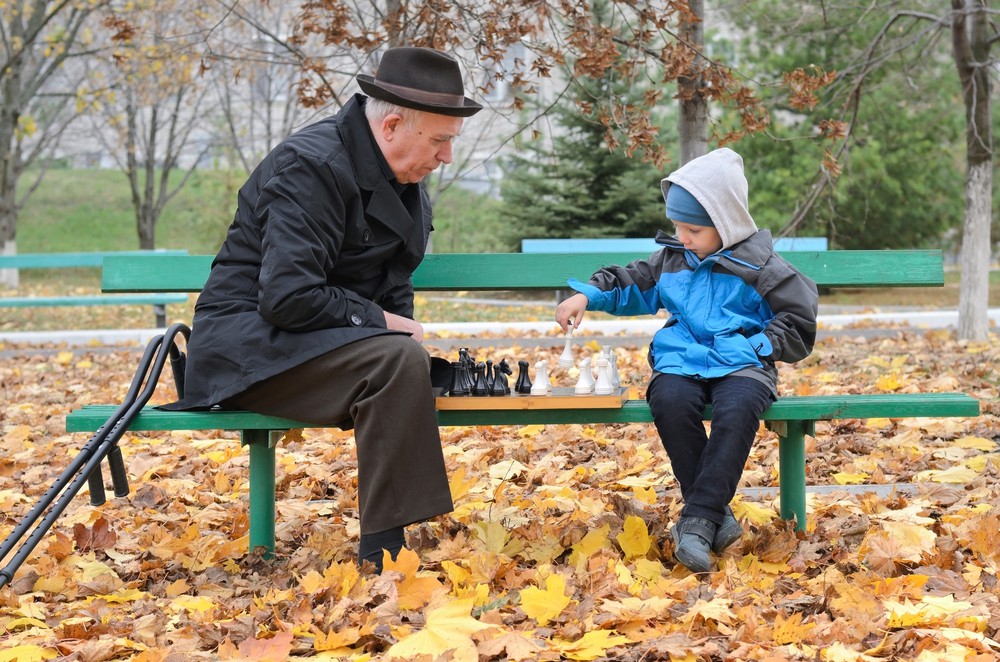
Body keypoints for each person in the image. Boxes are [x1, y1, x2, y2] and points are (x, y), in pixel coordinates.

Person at [164, 46, 482, 572]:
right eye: (441, 140)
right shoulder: (311, 166)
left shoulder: (406, 181)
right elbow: (287, 296)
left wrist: (398, 331)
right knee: (396, 363)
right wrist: (385, 326)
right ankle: (384, 558)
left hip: (312, 346)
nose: (447, 156)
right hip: (249, 350)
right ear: (394, 125)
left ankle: (389, 545)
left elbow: (392, 280)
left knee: (409, 363)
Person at [555, 148, 818, 573]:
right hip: (683, 360)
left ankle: (696, 521)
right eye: (678, 226)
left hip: (741, 363)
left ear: (726, 223)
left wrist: (758, 347)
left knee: (738, 407)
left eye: (693, 228)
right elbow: (630, 283)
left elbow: (798, 318)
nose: (683, 237)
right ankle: (714, 516)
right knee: (670, 400)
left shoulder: (762, 266)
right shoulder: (673, 259)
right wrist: (587, 294)